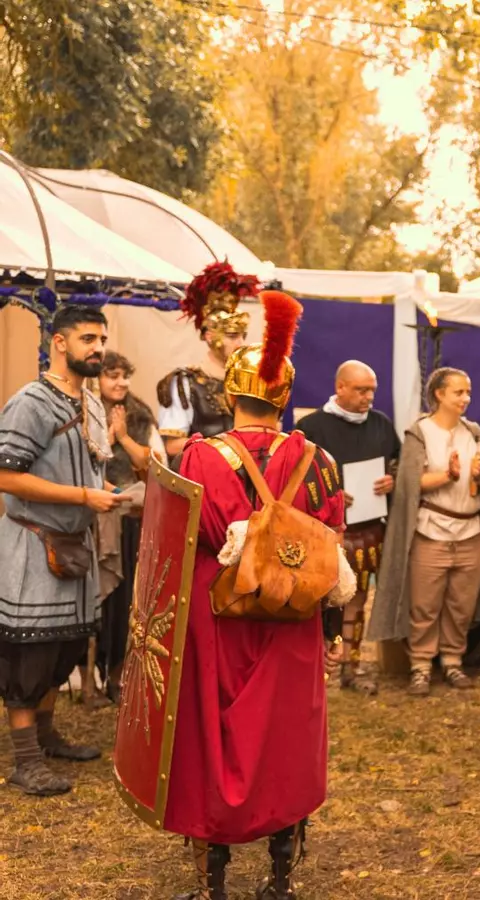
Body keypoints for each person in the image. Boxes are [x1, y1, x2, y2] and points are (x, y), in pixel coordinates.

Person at [164, 290, 352, 899]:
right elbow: (331, 546)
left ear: (230, 396)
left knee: (212, 742)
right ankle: (280, 879)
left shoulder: (199, 457)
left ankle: (212, 884)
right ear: (285, 399)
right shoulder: (320, 460)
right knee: (287, 741)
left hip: (218, 621)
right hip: (293, 621)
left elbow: (177, 544)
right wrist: (334, 633)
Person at [0, 304, 124, 796]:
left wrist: (114, 493)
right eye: (87, 339)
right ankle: (25, 760)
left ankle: (47, 736)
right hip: (34, 546)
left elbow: (89, 469)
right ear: (59, 342)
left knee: (64, 647)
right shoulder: (30, 402)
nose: (97, 348)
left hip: (75, 548)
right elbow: (6, 476)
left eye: (101, 339)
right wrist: (82, 497)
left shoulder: (91, 403)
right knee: (29, 651)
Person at [369, 368, 480, 696]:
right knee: (425, 604)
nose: (466, 398)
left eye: (468, 392)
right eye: (459, 392)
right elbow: (410, 481)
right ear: (439, 394)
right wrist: (448, 475)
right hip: (431, 531)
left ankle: (452, 661)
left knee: (461, 603)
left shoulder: (473, 433)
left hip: (471, 532)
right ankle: (420, 664)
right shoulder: (420, 433)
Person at [296, 360, 401, 694]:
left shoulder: (381, 424)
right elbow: (295, 479)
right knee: (318, 604)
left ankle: (352, 668)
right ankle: (312, 669)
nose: (368, 397)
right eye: (360, 390)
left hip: (368, 531)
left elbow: (397, 462)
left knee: (357, 602)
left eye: (372, 390)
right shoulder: (311, 428)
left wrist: (392, 479)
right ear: (340, 387)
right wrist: (331, 494)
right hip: (324, 535)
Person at [93, 351, 167, 706]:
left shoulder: (140, 415)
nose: (121, 382)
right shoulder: (83, 411)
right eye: (112, 375)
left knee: (128, 600)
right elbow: (82, 464)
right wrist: (107, 438)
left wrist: (123, 436)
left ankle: (119, 673)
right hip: (92, 518)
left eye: (125, 375)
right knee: (100, 599)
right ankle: (90, 675)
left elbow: (156, 464)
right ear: (97, 378)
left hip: (133, 519)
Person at [157, 262, 258, 462]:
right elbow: (173, 446)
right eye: (232, 336)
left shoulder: (247, 382)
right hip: (202, 474)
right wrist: (226, 448)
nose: (240, 343)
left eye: (242, 336)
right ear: (210, 336)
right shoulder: (184, 381)